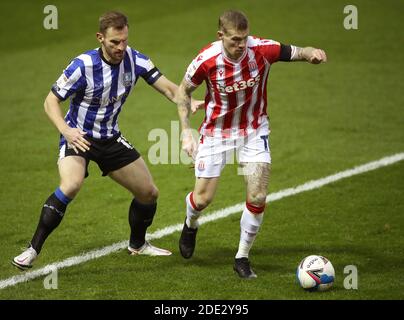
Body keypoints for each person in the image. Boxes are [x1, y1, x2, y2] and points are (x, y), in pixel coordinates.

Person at [12, 11, 202, 270]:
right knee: (71, 184)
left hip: (110, 138)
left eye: (124, 40)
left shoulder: (136, 61)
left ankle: (137, 245)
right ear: (100, 38)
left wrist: (189, 101)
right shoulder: (82, 66)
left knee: (148, 193)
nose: (120, 47)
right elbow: (50, 101)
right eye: (114, 42)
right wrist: (66, 130)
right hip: (79, 137)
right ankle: (32, 250)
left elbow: (170, 89)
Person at [176, 10, 327, 279]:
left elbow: (297, 51)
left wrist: (312, 52)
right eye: (235, 40)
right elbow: (182, 92)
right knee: (203, 199)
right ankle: (191, 223)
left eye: (244, 38)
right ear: (220, 36)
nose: (241, 45)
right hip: (216, 132)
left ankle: (242, 257)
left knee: (257, 195)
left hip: (254, 130)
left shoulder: (262, 50)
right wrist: (186, 131)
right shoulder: (206, 60)